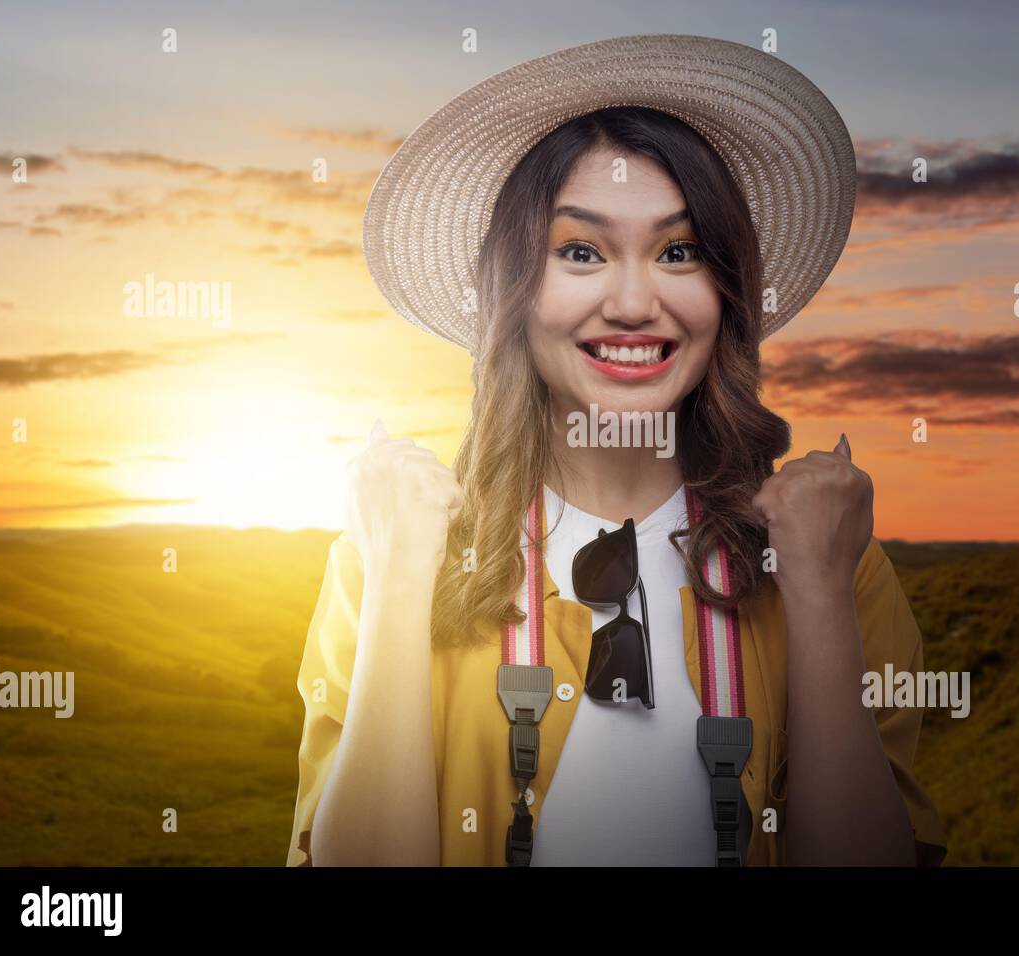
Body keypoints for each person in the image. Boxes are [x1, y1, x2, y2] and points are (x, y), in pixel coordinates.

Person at [286, 34, 947, 867]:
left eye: (679, 252)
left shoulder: (834, 560)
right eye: (580, 252)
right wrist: (396, 580)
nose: (634, 303)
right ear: (511, 295)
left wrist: (814, 589)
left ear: (726, 290)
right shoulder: (387, 555)